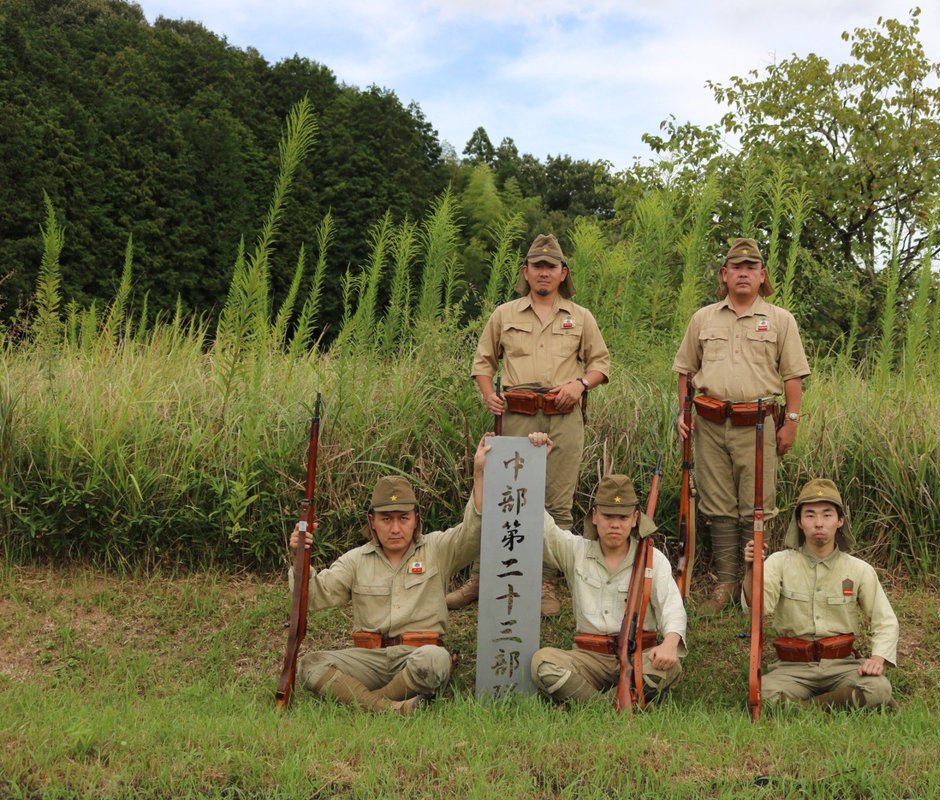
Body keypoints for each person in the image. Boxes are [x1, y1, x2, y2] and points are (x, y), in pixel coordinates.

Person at [287, 433, 548, 714]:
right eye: (386, 519)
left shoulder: (437, 548)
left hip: (417, 655)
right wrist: (299, 556)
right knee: (310, 664)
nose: (395, 528)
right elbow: (313, 597)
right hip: (369, 658)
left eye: (403, 518)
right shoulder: (355, 560)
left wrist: (479, 474)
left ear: (416, 519)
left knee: (437, 660)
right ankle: (390, 707)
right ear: (372, 522)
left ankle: (370, 703)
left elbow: (472, 533)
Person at [452, 233, 612, 615]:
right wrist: (488, 392)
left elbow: (601, 364)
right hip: (517, 416)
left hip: (563, 418)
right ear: (526, 272)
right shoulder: (505, 314)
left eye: (550, 266)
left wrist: (579, 383)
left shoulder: (580, 317)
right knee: (502, 496)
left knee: (556, 504)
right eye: (536, 266)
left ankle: (546, 584)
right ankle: (481, 577)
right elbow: (483, 362)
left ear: (562, 273)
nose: (543, 273)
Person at [672, 237, 810, 614]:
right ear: (725, 274)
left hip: (759, 424)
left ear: (762, 275)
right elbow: (686, 370)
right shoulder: (703, 318)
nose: (744, 273)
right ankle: (726, 583)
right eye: (737, 267)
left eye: (751, 268)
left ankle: (753, 582)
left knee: (757, 506)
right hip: (710, 423)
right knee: (718, 505)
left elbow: (794, 377)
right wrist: (683, 414)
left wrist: (792, 422)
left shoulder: (780, 320)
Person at [529, 450, 687, 705]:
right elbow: (542, 525)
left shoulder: (652, 558)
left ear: (635, 519)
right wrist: (535, 463)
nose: (615, 524)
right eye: (608, 516)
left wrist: (670, 643)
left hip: (639, 656)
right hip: (589, 658)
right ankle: (604, 705)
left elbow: (673, 609)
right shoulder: (576, 550)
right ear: (595, 516)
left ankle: (597, 699)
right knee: (543, 663)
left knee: (670, 666)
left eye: (623, 517)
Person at [742, 478, 898, 709]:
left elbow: (886, 621)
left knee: (879, 688)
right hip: (792, 668)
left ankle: (803, 709)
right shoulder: (779, 563)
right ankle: (833, 706)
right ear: (799, 522)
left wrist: (877, 658)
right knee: (762, 693)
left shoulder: (859, 569)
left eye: (827, 515)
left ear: (839, 521)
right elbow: (757, 609)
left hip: (843, 666)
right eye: (810, 515)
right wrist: (751, 569)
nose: (818, 523)